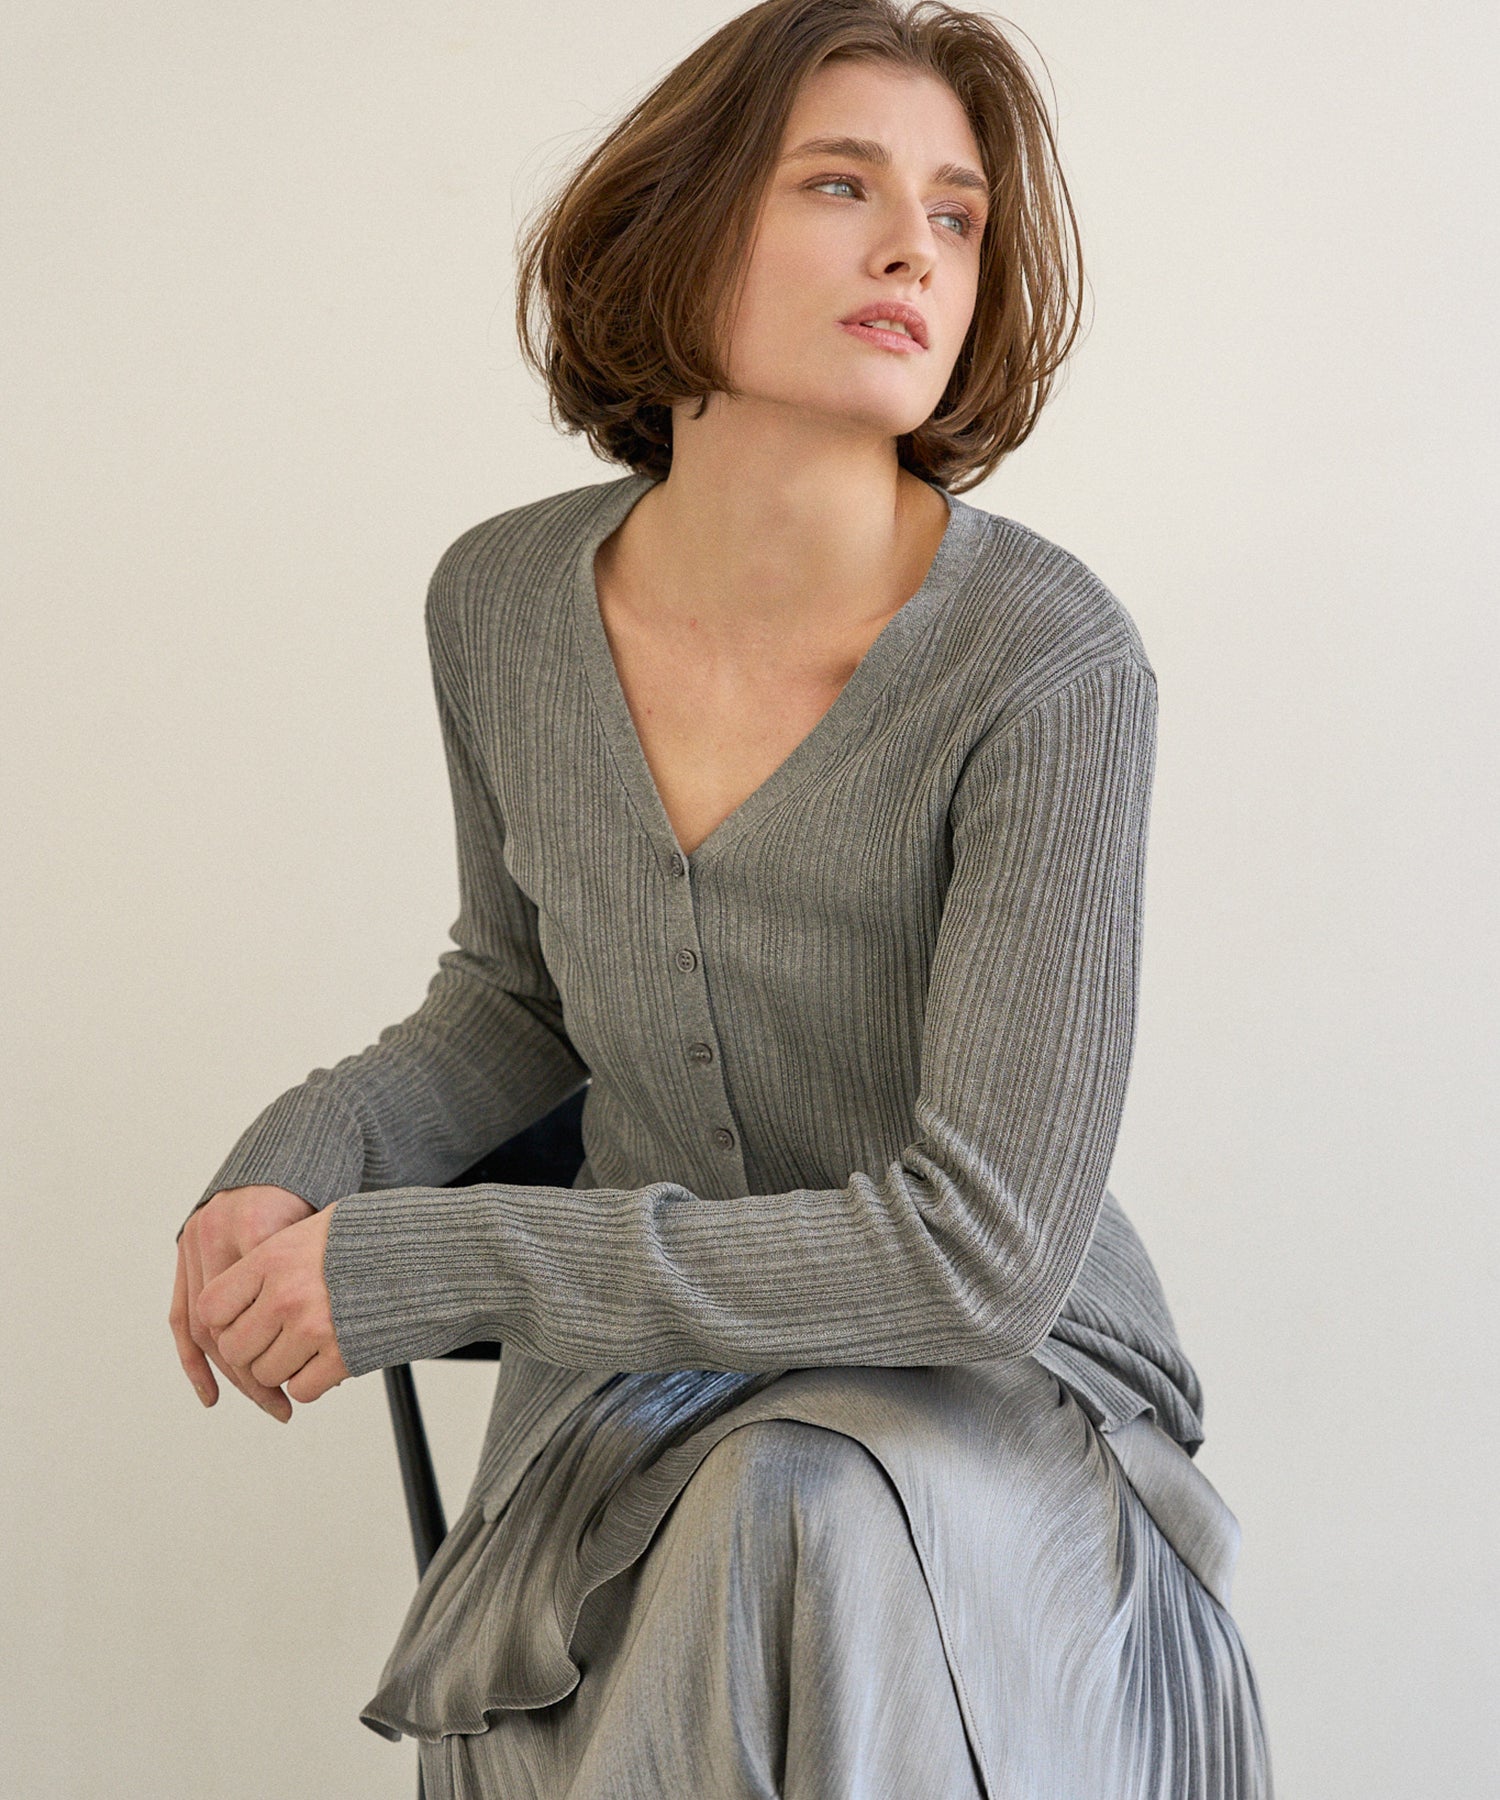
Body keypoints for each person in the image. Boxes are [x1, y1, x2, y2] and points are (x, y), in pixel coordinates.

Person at [170, 1, 1275, 1793]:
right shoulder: (501, 604)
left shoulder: (1047, 666)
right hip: (637, 1402)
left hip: (979, 1418)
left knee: (791, 1504)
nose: (916, 247)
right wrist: (300, 1162)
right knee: (750, 1510)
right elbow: (517, 999)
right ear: (679, 222)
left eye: (958, 213)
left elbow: (981, 1257)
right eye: (842, 185)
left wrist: (434, 1259)